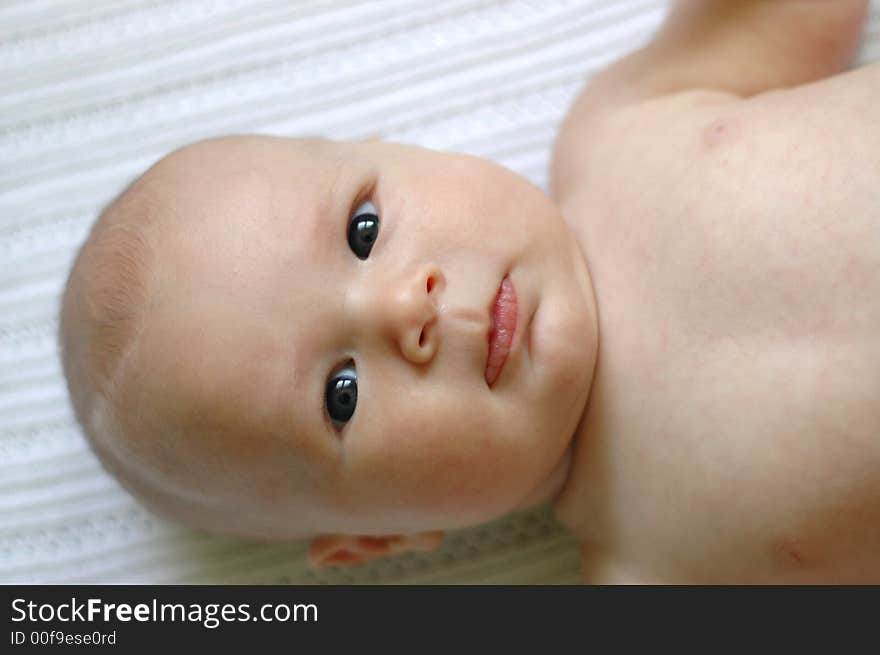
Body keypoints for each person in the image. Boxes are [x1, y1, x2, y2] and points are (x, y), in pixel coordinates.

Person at [59, 0, 879, 582]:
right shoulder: (650, 573)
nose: (403, 310)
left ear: (401, 148)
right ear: (380, 535)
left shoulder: (618, 130)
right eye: (340, 394)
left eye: (363, 232)